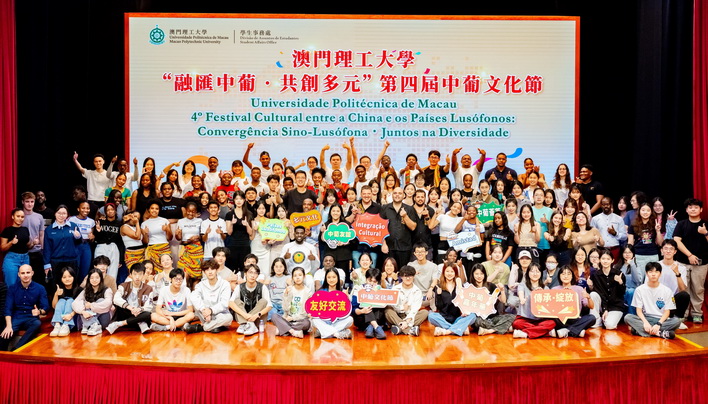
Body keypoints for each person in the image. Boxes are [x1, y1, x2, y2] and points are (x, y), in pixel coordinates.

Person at [672, 198, 708, 323]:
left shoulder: (705, 224)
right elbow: (676, 241)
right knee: (683, 289)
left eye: (696, 207)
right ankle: (683, 313)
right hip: (682, 262)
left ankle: (697, 314)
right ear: (686, 210)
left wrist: (705, 233)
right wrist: (690, 255)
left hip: (701, 263)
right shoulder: (681, 224)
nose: (693, 209)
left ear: (701, 209)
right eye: (690, 207)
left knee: (698, 289)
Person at [624, 262, 681, 339]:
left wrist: (658, 324)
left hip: (661, 320)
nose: (653, 274)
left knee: (677, 321)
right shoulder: (639, 290)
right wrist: (645, 323)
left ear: (660, 274)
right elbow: (638, 310)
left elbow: (667, 312)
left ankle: (641, 331)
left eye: (656, 272)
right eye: (650, 272)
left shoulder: (667, 290)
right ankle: (659, 333)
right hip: (646, 318)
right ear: (646, 274)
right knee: (628, 317)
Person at [1, 265, 49, 349]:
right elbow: (8, 309)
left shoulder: (40, 288)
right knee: (5, 335)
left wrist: (39, 311)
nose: (25, 275)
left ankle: (17, 349)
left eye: (28, 272)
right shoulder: (12, 288)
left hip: (30, 317)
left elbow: (45, 307)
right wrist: (8, 326)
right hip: (17, 317)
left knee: (37, 324)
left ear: (32, 273)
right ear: (19, 274)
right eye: (23, 273)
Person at [184, 260, 233, 333]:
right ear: (204, 272)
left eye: (212, 269)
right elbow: (193, 297)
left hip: (220, 314)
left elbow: (224, 303)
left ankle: (201, 327)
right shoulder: (200, 285)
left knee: (229, 318)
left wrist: (211, 310)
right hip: (205, 315)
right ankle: (216, 327)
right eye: (207, 270)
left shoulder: (225, 284)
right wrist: (204, 310)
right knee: (195, 299)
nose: (210, 272)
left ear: (216, 270)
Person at [107, 262, 154, 334]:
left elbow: (149, 306)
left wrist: (139, 309)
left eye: (140, 274)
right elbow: (116, 299)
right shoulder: (123, 286)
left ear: (143, 275)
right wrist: (130, 308)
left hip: (139, 313)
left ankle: (119, 324)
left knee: (147, 314)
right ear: (131, 274)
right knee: (120, 306)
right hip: (126, 313)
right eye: (135, 274)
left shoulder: (148, 288)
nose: (137, 277)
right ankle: (141, 323)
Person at [429, 264, 476, 336]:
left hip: (457, 319)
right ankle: (458, 329)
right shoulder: (439, 286)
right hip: (443, 319)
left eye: (452, 271)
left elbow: (464, 303)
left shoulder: (460, 286)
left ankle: (446, 331)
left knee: (473, 315)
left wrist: (465, 311)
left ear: (455, 273)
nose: (449, 274)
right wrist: (438, 295)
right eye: (447, 271)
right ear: (443, 272)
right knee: (431, 316)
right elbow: (439, 306)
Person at [469, 263, 515, 336]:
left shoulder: (490, 285)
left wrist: (502, 290)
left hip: (493, 318)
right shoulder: (469, 288)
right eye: (476, 274)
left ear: (485, 274)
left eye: (481, 274)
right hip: (480, 318)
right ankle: (502, 327)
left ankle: (490, 330)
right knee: (476, 320)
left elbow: (503, 301)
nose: (479, 276)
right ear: (472, 274)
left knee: (512, 317)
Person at [550, 265, 596, 338]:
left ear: (572, 276)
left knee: (592, 318)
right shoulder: (554, 289)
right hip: (560, 319)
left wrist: (588, 297)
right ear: (559, 276)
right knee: (551, 319)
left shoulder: (579, 289)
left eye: (568, 274)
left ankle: (566, 331)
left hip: (575, 318)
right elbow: (551, 308)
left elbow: (591, 306)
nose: (566, 276)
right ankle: (575, 330)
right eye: (563, 274)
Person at [512, 263, 555, 338]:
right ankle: (546, 332)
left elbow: (548, 307)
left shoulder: (545, 288)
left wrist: (542, 294)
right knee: (516, 323)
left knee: (552, 323)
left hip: (540, 319)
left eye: (537, 271)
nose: (535, 274)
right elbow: (521, 293)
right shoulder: (522, 285)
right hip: (525, 318)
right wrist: (522, 299)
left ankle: (525, 333)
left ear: (541, 274)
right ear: (528, 273)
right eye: (532, 271)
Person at [230, 264, 273, 336]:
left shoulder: (262, 287)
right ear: (245, 274)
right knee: (236, 301)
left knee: (264, 301)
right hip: (243, 317)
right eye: (250, 272)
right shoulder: (239, 287)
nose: (252, 275)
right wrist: (245, 315)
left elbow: (269, 306)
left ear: (257, 275)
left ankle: (249, 324)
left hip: (258, 319)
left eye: (255, 273)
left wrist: (257, 315)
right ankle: (245, 324)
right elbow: (231, 303)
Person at [384, 264, 427, 336]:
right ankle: (410, 330)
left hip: (410, 316)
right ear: (401, 277)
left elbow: (414, 310)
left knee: (424, 312)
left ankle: (399, 328)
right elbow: (393, 305)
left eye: (410, 276)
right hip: (397, 315)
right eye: (405, 276)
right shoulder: (395, 289)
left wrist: (406, 321)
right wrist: (402, 308)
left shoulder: (417, 291)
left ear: (413, 276)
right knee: (388, 311)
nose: (408, 278)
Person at [43, 205, 81, 284]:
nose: (61, 215)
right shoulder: (49, 229)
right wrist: (47, 264)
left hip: (71, 260)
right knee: (56, 284)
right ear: (55, 214)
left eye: (64, 213)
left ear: (67, 215)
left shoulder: (73, 226)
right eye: (59, 213)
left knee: (71, 284)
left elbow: (79, 243)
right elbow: (47, 248)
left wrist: (78, 237)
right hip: (56, 261)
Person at [310, 268, 353, 339]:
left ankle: (323, 332)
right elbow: (315, 307)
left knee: (350, 319)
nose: (331, 280)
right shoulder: (320, 292)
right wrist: (312, 313)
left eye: (334, 277)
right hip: (324, 320)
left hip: (337, 320)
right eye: (329, 277)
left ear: (338, 278)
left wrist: (347, 297)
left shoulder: (342, 291)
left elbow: (347, 310)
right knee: (314, 320)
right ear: (326, 279)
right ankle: (337, 334)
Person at [380, 187, 417, 268]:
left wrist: (405, 216)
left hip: (405, 247)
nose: (397, 195)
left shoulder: (410, 209)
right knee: (388, 271)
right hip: (388, 247)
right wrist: (383, 244)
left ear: (404, 195)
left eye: (400, 193)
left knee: (403, 271)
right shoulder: (384, 208)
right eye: (395, 193)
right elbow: (380, 228)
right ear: (392, 195)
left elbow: (413, 227)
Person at [589, 249, 626, 329]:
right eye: (603, 259)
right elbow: (600, 293)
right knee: (593, 294)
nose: (605, 261)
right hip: (602, 305)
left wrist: (620, 282)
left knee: (609, 325)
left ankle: (608, 319)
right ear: (599, 260)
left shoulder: (619, 274)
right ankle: (596, 320)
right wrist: (605, 309)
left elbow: (622, 293)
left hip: (615, 306)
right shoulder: (595, 275)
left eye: (608, 259)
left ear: (612, 260)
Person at [655, 240, 690, 323]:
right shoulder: (655, 266)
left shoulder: (681, 267)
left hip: (673, 300)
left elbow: (682, 290)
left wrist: (677, 273)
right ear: (661, 250)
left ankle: (677, 320)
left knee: (684, 295)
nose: (668, 251)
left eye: (671, 249)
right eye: (666, 248)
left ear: (675, 252)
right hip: (658, 298)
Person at [72, 267, 114, 336]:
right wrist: (83, 312)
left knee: (100, 300)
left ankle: (89, 325)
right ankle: (93, 325)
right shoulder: (86, 290)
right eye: (92, 278)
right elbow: (75, 302)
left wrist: (91, 305)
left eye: (97, 277)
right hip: (87, 317)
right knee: (82, 304)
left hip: (103, 319)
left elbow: (108, 303)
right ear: (89, 279)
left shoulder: (107, 290)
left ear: (101, 278)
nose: (94, 280)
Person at [272, 267, 312, 338]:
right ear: (292, 278)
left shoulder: (308, 292)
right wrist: (286, 295)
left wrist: (293, 318)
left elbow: (305, 312)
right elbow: (285, 309)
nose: (297, 278)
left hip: (300, 320)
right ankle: (293, 331)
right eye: (295, 276)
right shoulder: (288, 289)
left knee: (307, 323)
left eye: (300, 275)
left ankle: (284, 329)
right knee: (274, 316)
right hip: (288, 319)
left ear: (304, 277)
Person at [351, 267, 387, 339]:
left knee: (378, 308)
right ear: (366, 278)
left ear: (378, 281)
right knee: (366, 306)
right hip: (362, 317)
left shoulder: (380, 290)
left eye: (375, 281)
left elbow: (384, 305)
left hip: (377, 316)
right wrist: (362, 311)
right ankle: (376, 327)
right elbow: (353, 308)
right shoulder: (358, 289)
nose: (372, 283)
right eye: (370, 280)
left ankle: (371, 327)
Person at [1, 209, 34, 288]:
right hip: (12, 259)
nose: (20, 218)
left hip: (25, 258)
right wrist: (11, 242)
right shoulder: (7, 230)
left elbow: (27, 246)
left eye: (22, 217)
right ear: (13, 217)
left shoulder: (25, 229)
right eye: (18, 216)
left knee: (25, 284)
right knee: (11, 285)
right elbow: (2, 248)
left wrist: (33, 243)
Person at [19, 192, 45, 287]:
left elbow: (41, 234)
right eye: (27, 201)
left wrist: (42, 249)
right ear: (22, 202)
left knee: (38, 278)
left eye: (32, 201)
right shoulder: (19, 216)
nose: (30, 204)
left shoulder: (39, 217)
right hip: (23, 253)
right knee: (24, 279)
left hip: (37, 252)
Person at [627, 203, 663, 271]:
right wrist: (629, 256)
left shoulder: (655, 224)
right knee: (639, 277)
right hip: (638, 255)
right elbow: (630, 243)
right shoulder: (633, 225)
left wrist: (658, 231)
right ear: (639, 211)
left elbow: (660, 243)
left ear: (651, 212)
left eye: (648, 210)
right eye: (643, 210)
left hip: (653, 255)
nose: (645, 212)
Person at [224, 191, 254, 273]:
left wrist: (247, 225)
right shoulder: (229, 214)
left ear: (244, 200)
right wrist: (232, 224)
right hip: (232, 245)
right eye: (236, 199)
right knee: (232, 269)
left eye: (241, 199)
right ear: (234, 200)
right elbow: (229, 232)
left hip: (245, 245)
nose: (239, 201)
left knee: (244, 269)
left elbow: (251, 233)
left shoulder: (249, 214)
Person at [175, 201, 203, 282]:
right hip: (185, 249)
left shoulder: (200, 221)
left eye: (193, 211)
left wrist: (198, 237)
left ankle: (195, 289)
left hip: (196, 249)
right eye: (189, 211)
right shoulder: (181, 221)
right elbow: (179, 238)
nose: (190, 213)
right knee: (183, 274)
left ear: (196, 211)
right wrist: (177, 234)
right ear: (185, 210)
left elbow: (202, 236)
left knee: (196, 276)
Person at [94, 203, 123, 279]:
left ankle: (110, 286)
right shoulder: (101, 222)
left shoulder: (119, 224)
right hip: (101, 246)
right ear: (105, 212)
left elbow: (120, 242)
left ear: (115, 211)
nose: (110, 211)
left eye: (112, 209)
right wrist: (98, 231)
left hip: (114, 247)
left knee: (113, 272)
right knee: (99, 270)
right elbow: (96, 238)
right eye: (108, 210)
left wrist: (120, 259)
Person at [141, 200, 173, 270]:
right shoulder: (144, 224)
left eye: (157, 209)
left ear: (159, 210)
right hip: (152, 249)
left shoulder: (165, 221)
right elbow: (145, 241)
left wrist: (167, 230)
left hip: (164, 248)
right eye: (152, 208)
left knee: (166, 269)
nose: (154, 210)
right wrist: (145, 233)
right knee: (152, 270)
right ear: (149, 210)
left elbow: (170, 238)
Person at [49, 266, 80, 337]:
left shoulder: (79, 290)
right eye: (64, 277)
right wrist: (56, 294)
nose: (67, 279)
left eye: (70, 276)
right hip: (60, 318)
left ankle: (66, 325)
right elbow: (54, 307)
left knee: (70, 300)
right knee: (62, 300)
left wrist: (70, 315)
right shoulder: (59, 289)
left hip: (73, 318)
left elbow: (81, 307)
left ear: (74, 277)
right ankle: (57, 325)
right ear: (61, 279)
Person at [69, 201, 96, 280]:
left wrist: (92, 237)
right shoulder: (72, 219)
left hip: (86, 245)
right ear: (78, 209)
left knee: (85, 268)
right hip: (75, 245)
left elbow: (92, 237)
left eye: (87, 208)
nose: (85, 210)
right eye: (83, 208)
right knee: (74, 268)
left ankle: (82, 286)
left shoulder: (91, 221)